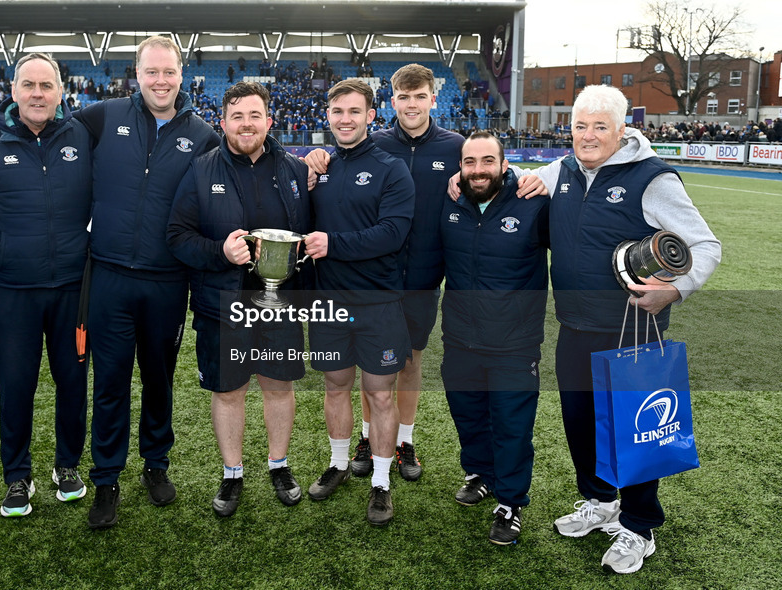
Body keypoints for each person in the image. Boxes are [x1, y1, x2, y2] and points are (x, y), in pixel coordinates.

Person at [503, 85, 720, 573]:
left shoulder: (652, 178)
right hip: (574, 326)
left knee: (640, 430)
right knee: (581, 424)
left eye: (600, 126)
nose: (588, 135)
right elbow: (514, 177)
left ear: (622, 130)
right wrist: (469, 178)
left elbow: (706, 245)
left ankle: (639, 527)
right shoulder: (561, 171)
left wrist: (675, 290)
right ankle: (600, 503)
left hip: (634, 330)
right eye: (580, 126)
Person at [71, 36, 220, 529]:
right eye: (151, 71)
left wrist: (310, 162)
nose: (160, 81)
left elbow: (245, 162)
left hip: (168, 282)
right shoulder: (101, 116)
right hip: (109, 276)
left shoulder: (202, 135)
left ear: (183, 73)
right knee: (109, 383)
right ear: (136, 73)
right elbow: (42, 131)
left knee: (159, 382)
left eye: (169, 72)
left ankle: (156, 465)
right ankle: (106, 479)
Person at [305, 63, 464, 482]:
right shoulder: (372, 143)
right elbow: (338, 163)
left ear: (433, 98)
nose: (411, 105)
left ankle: (403, 441)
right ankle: (367, 436)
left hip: (422, 273)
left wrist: (528, 180)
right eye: (403, 97)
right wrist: (316, 157)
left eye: (420, 96)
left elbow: (493, 172)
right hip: (369, 276)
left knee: (408, 360)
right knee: (366, 363)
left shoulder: (455, 146)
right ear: (390, 103)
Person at [167, 81, 312, 517]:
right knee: (229, 390)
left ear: (269, 121)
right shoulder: (201, 170)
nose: (246, 124)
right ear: (223, 122)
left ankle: (279, 465)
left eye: (254, 116)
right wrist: (219, 252)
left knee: (278, 386)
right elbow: (176, 237)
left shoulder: (294, 170)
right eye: (237, 117)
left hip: (279, 304)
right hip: (221, 303)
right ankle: (232, 473)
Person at [0, 53, 93, 517]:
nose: (38, 94)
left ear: (62, 91)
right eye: (29, 85)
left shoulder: (85, 135)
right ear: (14, 90)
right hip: (11, 289)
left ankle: (67, 465)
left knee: (73, 381)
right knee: (16, 384)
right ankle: (16, 476)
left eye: (47, 85)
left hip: (72, 288)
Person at [303, 79, 415, 526]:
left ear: (371, 115)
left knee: (380, 393)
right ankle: (337, 463)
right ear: (327, 117)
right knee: (334, 385)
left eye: (354, 111)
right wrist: (307, 174)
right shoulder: (317, 167)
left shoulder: (391, 169)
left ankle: (382, 483)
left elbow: (393, 233)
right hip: (328, 303)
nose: (345, 119)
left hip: (378, 304)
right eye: (337, 112)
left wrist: (334, 244)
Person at [440, 132, 549, 546]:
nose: (478, 170)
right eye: (470, 162)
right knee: (468, 415)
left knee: (512, 425)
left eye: (488, 161)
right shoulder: (450, 203)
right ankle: (481, 474)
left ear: (505, 165)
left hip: (514, 343)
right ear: (461, 167)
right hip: (460, 337)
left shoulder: (533, 202)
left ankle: (510, 502)